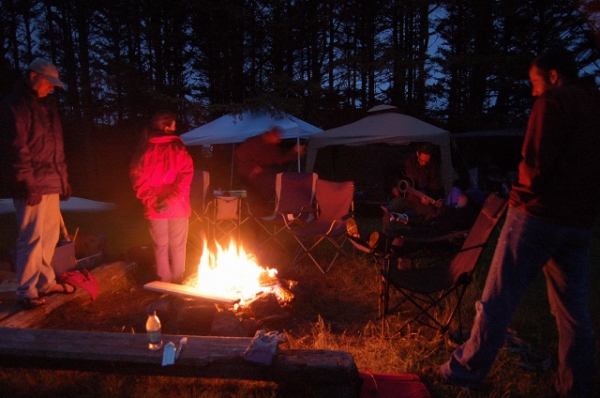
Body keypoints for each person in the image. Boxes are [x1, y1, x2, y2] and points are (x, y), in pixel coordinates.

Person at [435, 48, 600, 398]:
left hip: (537, 216)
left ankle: (465, 371)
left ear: (553, 76)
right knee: (573, 310)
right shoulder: (595, 105)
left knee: (499, 297)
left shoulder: (553, 103)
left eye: (535, 83)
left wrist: (519, 195)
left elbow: (535, 163)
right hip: (580, 222)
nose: (533, 92)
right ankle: (576, 385)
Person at [0, 58, 75, 309]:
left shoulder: (48, 108)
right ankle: (26, 290)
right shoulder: (15, 106)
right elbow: (16, 149)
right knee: (31, 237)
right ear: (33, 76)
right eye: (48, 83)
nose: (51, 88)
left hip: (50, 181)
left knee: (49, 236)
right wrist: (27, 183)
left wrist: (62, 180)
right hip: (30, 183)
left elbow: (56, 148)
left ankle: (45, 282)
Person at [130, 111, 194, 284]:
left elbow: (137, 178)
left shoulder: (143, 149)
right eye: (173, 124)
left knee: (160, 246)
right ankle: (178, 280)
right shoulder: (178, 148)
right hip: (178, 206)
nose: (176, 127)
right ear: (166, 128)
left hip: (155, 207)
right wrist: (170, 200)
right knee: (178, 246)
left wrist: (153, 200)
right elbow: (186, 177)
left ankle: (164, 282)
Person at [235, 126, 306, 213]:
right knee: (253, 198)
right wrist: (253, 167)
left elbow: (280, 159)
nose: (279, 141)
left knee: (275, 183)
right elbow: (239, 152)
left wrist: (295, 151)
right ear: (271, 135)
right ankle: (254, 214)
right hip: (248, 176)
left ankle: (279, 209)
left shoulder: (273, 147)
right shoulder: (255, 142)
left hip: (262, 177)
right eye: (277, 138)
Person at [384, 142, 445, 226]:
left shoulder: (432, 168)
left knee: (432, 214)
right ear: (417, 154)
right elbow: (392, 171)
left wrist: (429, 199)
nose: (423, 163)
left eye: (426, 161)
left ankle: (420, 236)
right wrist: (394, 187)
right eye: (422, 160)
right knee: (389, 210)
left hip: (419, 202)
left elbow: (435, 187)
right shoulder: (407, 161)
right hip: (404, 199)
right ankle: (385, 236)